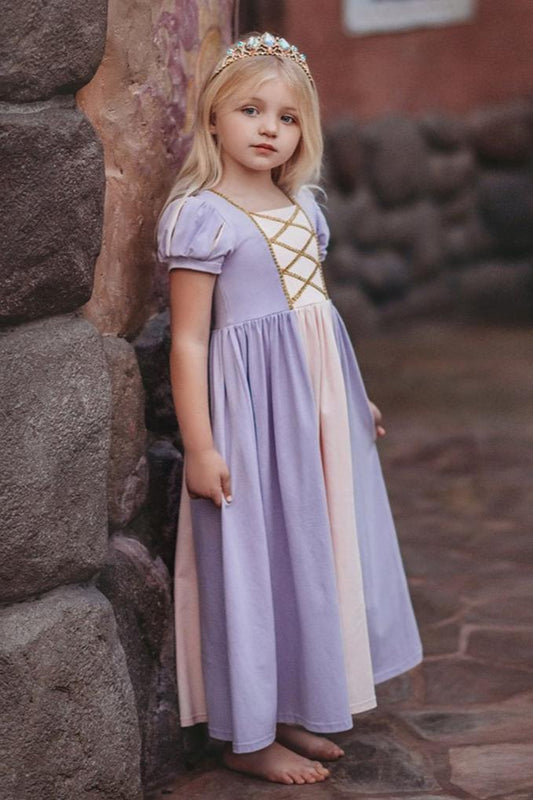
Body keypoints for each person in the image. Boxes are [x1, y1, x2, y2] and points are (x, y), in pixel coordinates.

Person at [156, 31, 423, 786]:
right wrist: (201, 445)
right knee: (252, 562)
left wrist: (353, 395)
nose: (269, 128)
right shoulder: (201, 217)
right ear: (213, 118)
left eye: (288, 116)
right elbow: (189, 345)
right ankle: (246, 734)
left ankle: (293, 706)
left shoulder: (299, 205)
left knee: (306, 555)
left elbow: (316, 318)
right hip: (250, 422)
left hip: (311, 417)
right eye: (250, 108)